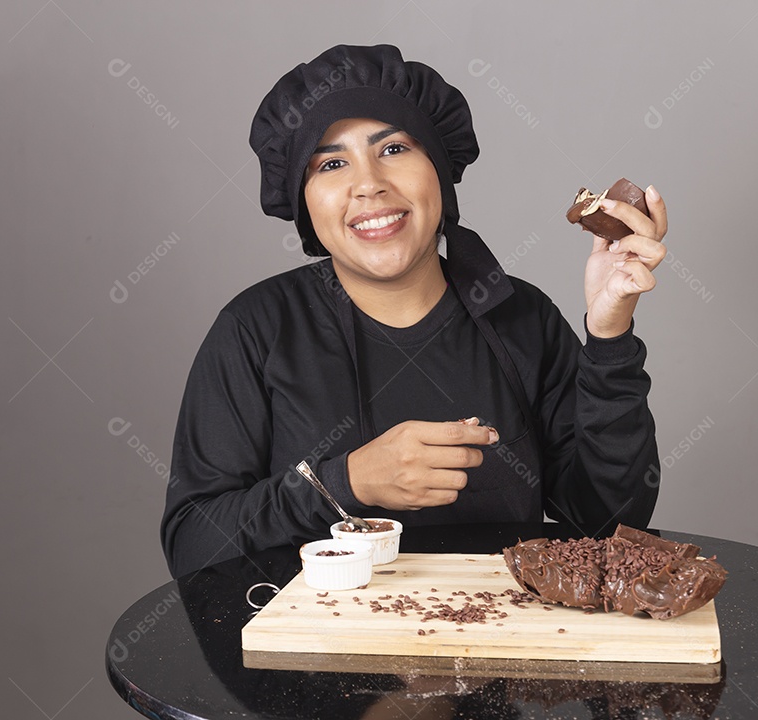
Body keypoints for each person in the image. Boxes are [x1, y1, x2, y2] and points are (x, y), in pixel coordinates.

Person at [161, 44, 668, 579]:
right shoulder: (255, 330)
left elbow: (609, 526)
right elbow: (194, 545)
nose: (369, 183)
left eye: (395, 149)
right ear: (304, 202)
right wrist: (345, 482)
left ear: (441, 173)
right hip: (315, 657)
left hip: (503, 650)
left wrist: (609, 335)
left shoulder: (522, 318)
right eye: (332, 163)